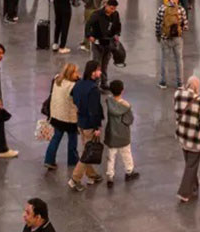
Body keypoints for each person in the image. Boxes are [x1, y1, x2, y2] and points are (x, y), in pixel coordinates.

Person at [174, 75, 200, 203]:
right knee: (191, 166)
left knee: (190, 164)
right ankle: (184, 193)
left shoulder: (178, 95)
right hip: (195, 140)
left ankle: (194, 188)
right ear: (196, 87)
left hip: (182, 136)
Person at [68, 58, 104, 191]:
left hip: (80, 121)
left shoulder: (79, 84)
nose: (100, 72)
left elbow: (72, 96)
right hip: (89, 124)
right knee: (87, 153)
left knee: (86, 147)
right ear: (93, 72)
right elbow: (94, 110)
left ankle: (92, 175)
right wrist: (97, 127)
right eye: (98, 70)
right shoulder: (93, 89)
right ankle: (75, 179)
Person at [44, 62, 80, 171]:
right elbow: (78, 100)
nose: (78, 74)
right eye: (76, 72)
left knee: (56, 138)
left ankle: (49, 160)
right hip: (69, 117)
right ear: (70, 73)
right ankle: (73, 161)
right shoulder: (73, 86)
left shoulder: (56, 80)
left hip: (56, 115)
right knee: (73, 139)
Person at [103, 79, 138, 186]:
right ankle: (129, 171)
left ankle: (110, 176)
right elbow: (129, 120)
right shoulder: (126, 106)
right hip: (123, 135)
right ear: (122, 91)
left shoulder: (109, 102)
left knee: (111, 156)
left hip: (112, 134)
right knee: (126, 153)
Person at [154, 0, 188, 89]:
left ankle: (163, 82)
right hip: (177, 38)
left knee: (164, 60)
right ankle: (180, 83)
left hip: (165, 38)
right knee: (179, 60)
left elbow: (158, 23)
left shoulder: (162, 8)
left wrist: (158, 35)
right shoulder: (181, 9)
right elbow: (185, 26)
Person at [85, 0, 123, 76]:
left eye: (114, 9)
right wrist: (89, 36)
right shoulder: (97, 14)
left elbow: (118, 25)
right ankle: (96, 80)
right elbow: (88, 24)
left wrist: (117, 34)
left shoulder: (115, 15)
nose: (113, 11)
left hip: (109, 42)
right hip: (98, 42)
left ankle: (104, 80)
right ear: (106, 5)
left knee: (105, 64)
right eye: (111, 8)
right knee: (96, 63)